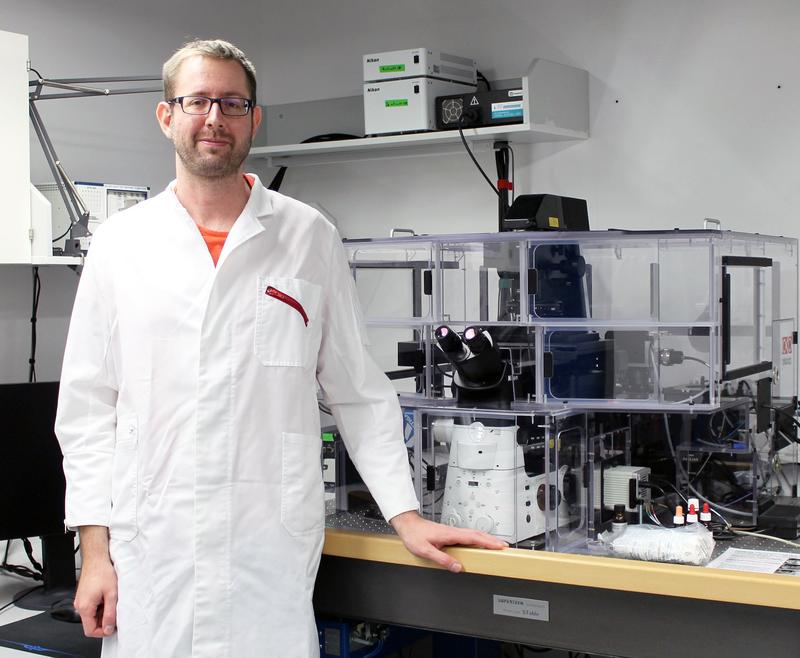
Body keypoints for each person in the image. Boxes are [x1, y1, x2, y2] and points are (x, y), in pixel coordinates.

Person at [55, 39, 505, 658]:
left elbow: (359, 391)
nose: (215, 118)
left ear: (253, 119)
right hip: (152, 559)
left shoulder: (307, 235)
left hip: (265, 556)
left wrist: (405, 514)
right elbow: (86, 412)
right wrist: (94, 555)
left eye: (233, 103)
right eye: (197, 101)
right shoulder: (120, 246)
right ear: (167, 117)